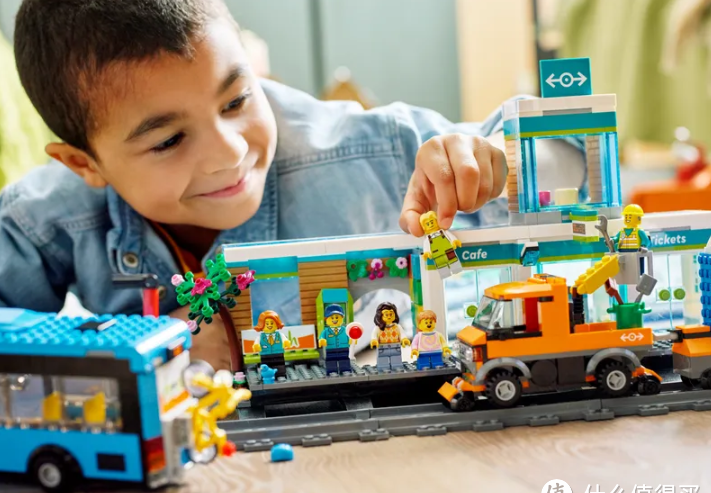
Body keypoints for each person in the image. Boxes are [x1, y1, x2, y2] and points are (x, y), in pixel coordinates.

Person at [0, 0, 583, 370]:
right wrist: (143, 341)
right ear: (83, 163)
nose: (231, 152)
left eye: (236, 100)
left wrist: (498, 163)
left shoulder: (367, 150)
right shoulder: (50, 216)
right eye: (170, 140)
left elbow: (575, 150)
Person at [370, 302, 410, 371]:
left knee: (396, 359)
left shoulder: (397, 327)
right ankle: (383, 368)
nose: (389, 317)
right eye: (386, 315)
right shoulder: (378, 328)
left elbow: (402, 334)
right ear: (380, 315)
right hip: (382, 348)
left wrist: (404, 339)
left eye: (391, 314)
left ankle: (397, 367)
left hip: (395, 347)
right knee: (383, 361)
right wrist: (374, 340)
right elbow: (374, 335)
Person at [252, 310, 291, 378]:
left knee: (279, 364)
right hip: (265, 354)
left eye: (272, 323)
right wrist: (256, 346)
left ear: (277, 324)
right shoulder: (260, 337)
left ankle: (280, 374)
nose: (269, 325)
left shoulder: (280, 335)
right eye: (267, 324)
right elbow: (256, 343)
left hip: (278, 352)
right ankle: (266, 375)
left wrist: (286, 342)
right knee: (266, 365)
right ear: (262, 325)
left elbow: (285, 339)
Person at [318, 304, 352, 374]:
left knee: (344, 358)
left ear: (342, 318)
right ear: (326, 319)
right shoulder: (326, 331)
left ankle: (345, 369)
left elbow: (351, 336)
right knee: (331, 360)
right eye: (332, 318)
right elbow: (321, 337)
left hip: (343, 347)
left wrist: (352, 339)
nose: (334, 320)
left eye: (337, 317)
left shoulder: (345, 329)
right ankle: (332, 370)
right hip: (330, 348)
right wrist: (321, 340)